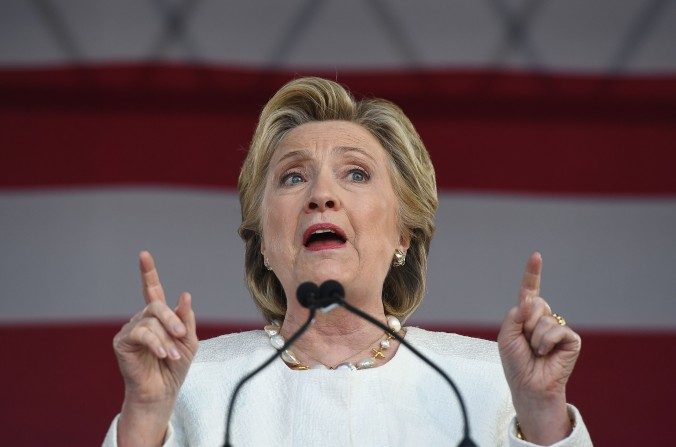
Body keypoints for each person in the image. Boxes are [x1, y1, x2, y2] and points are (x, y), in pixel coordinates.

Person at [104, 77, 592, 446]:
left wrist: (544, 412)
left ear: (405, 231)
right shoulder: (195, 384)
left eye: (355, 174)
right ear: (263, 242)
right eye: (293, 178)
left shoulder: (488, 380)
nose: (322, 195)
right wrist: (145, 414)